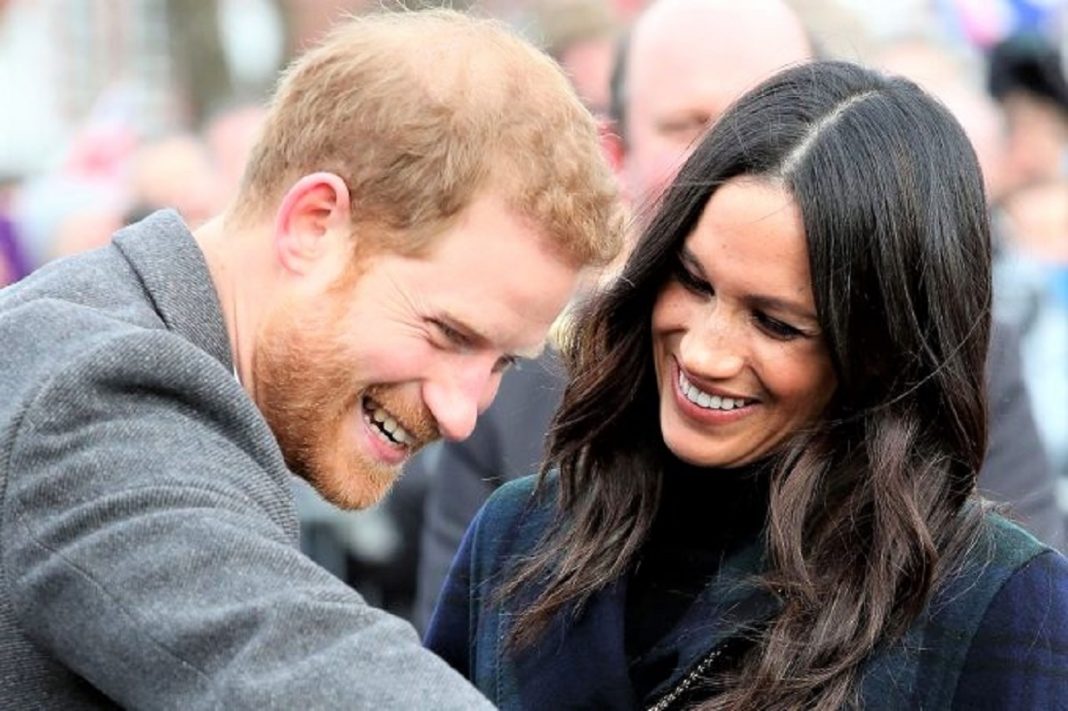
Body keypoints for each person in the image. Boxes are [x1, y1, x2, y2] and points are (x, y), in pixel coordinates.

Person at [0, 9, 621, 708]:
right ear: (313, 224)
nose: (460, 414)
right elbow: (292, 659)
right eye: (449, 332)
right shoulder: (92, 393)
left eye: (504, 362)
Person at [425, 60, 1068, 709]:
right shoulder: (518, 535)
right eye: (693, 281)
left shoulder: (998, 606)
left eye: (776, 323)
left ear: (880, 353)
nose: (703, 350)